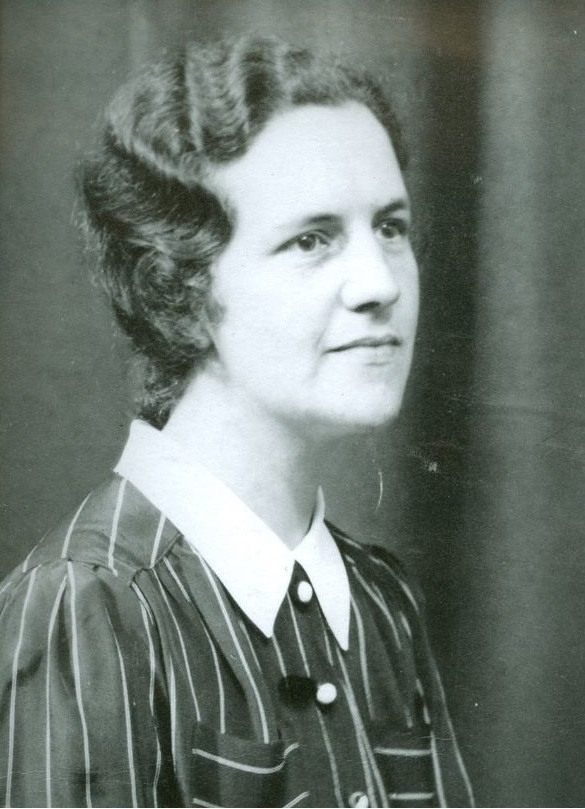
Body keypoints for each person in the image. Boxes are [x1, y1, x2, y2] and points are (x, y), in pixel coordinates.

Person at [0, 36, 474, 808]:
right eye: (311, 239)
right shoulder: (87, 606)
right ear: (177, 285)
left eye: (390, 226)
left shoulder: (380, 599)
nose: (379, 283)